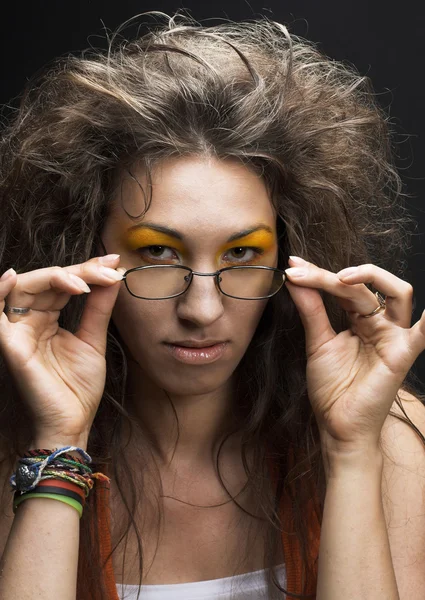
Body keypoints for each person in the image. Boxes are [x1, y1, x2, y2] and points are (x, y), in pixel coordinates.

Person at [0, 10, 424, 600]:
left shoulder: (393, 441)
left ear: (292, 256)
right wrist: (57, 441)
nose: (202, 309)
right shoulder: (15, 448)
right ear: (85, 253)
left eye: (243, 252)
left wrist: (351, 451)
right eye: (157, 253)